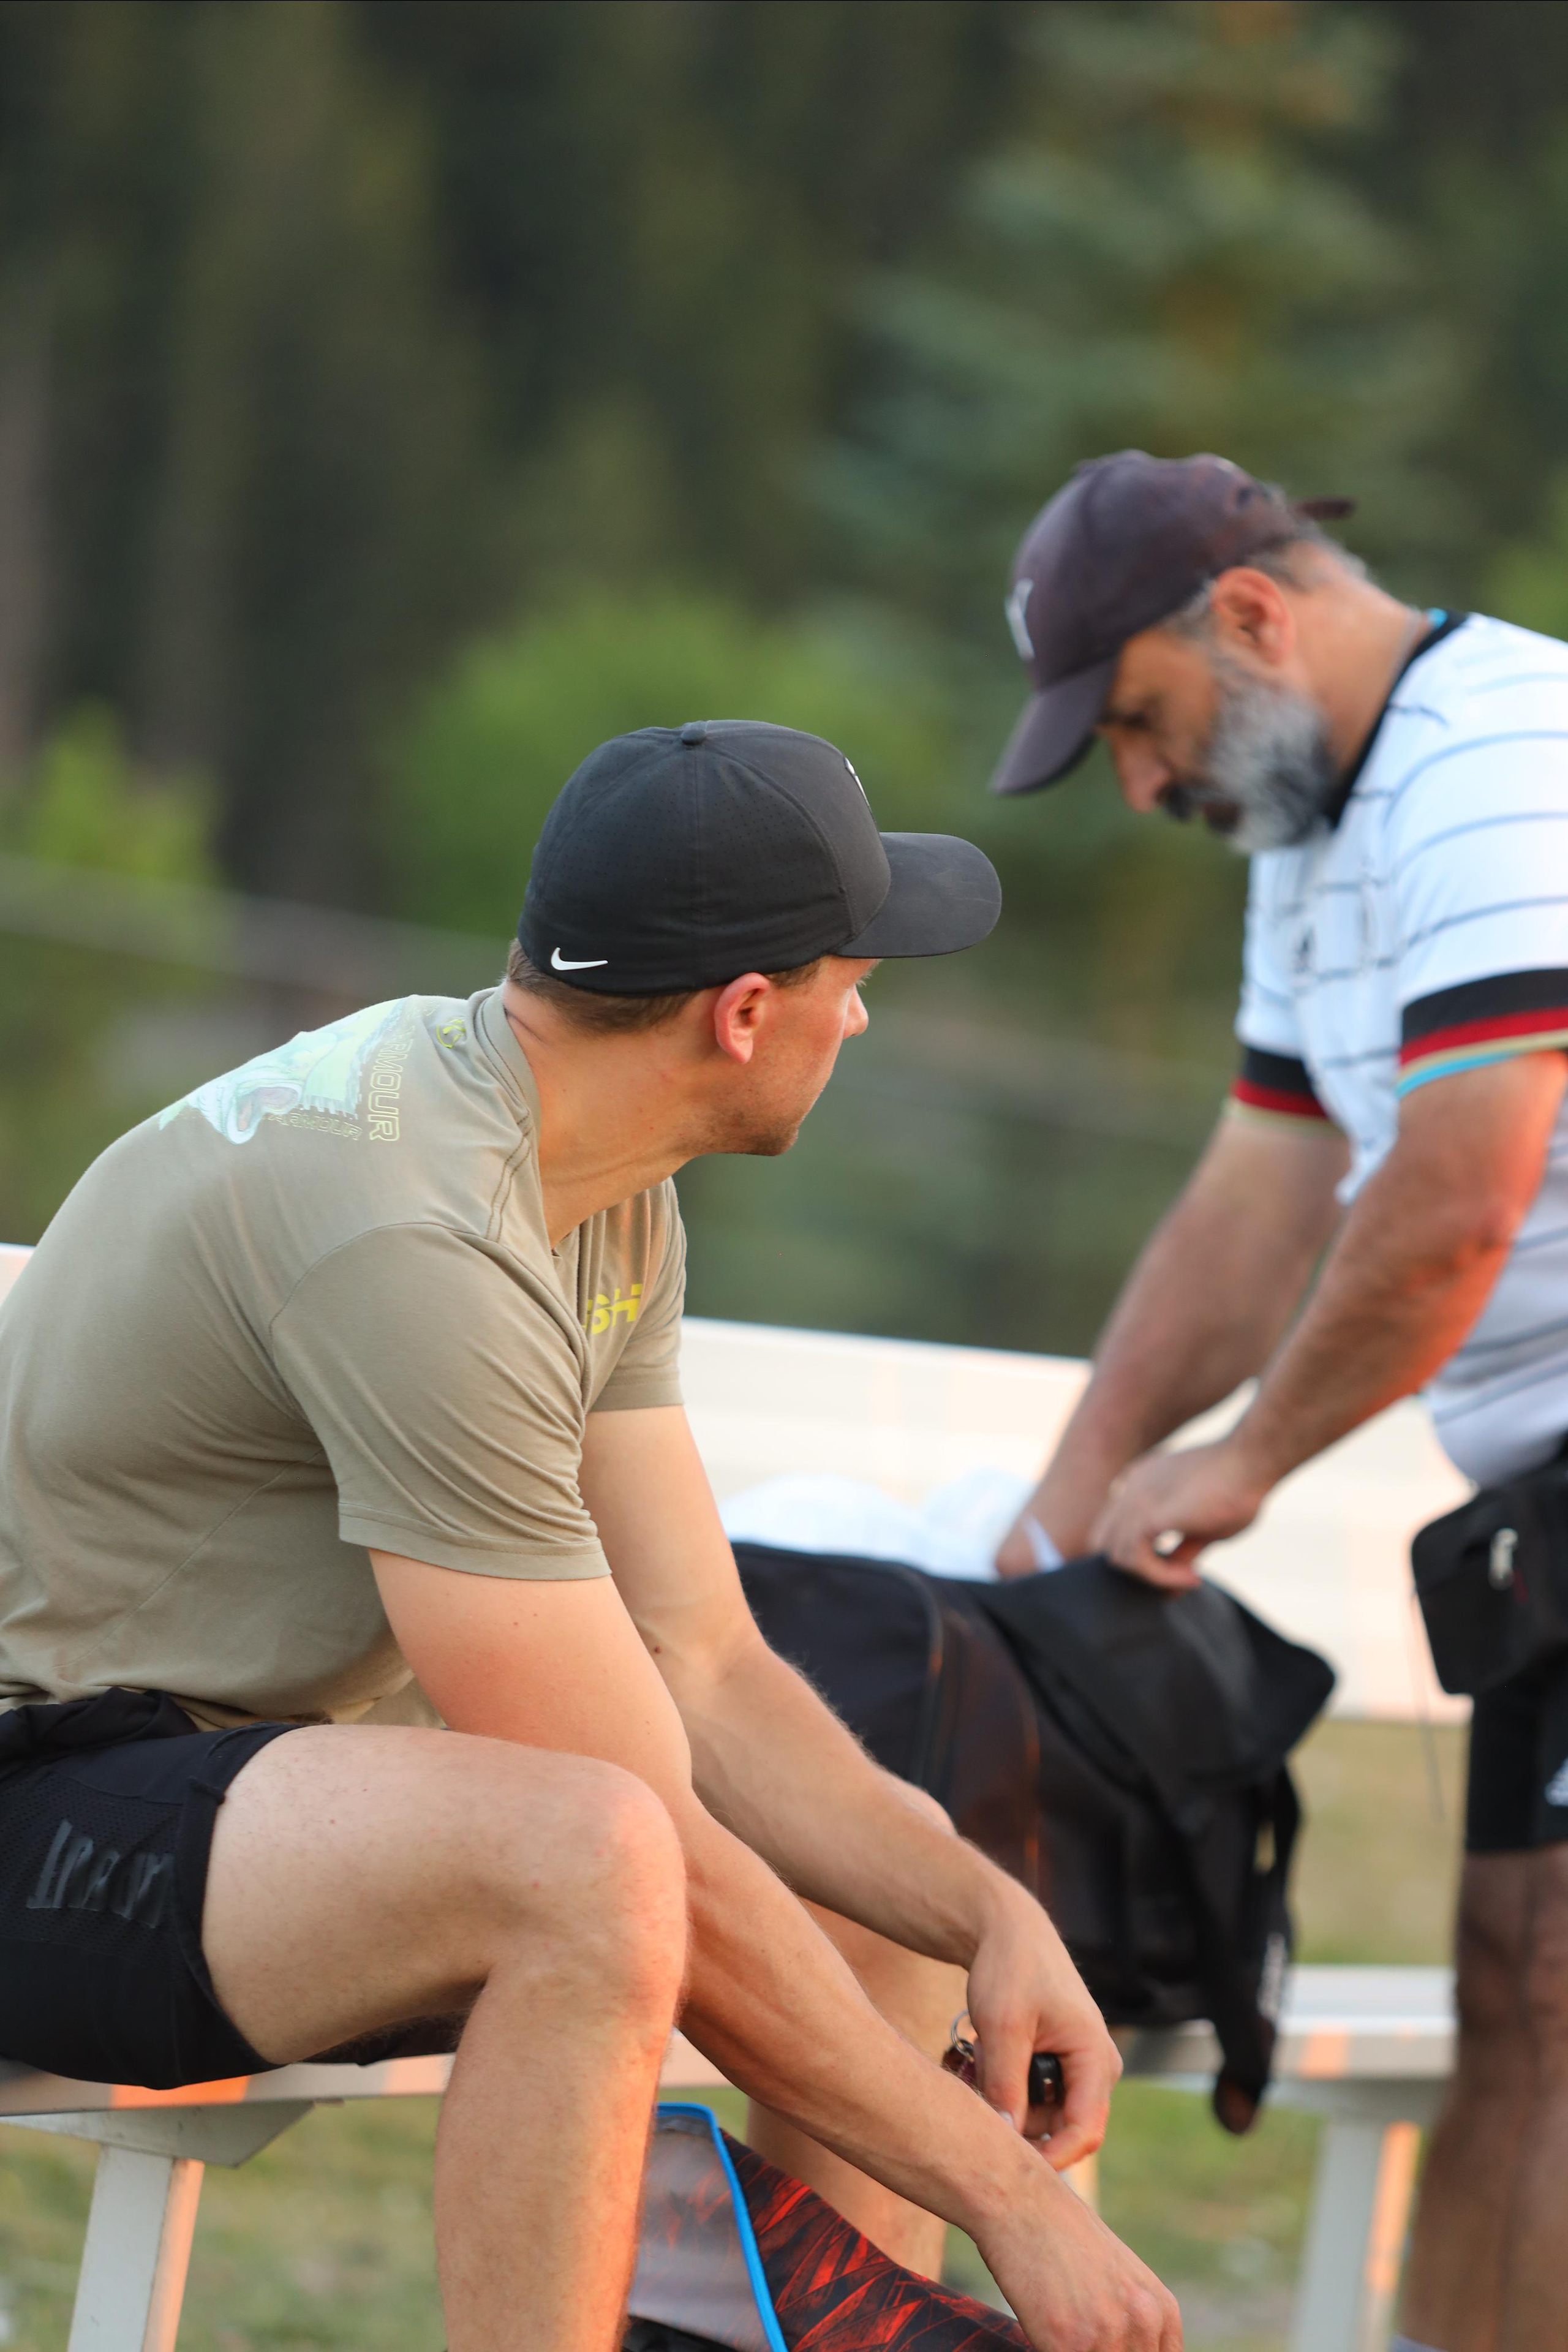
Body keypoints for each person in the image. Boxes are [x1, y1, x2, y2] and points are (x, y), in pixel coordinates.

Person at [0, 718, 1178, 2352]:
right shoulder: (415, 1229)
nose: (865, 1007)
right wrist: (1011, 2197)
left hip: (243, 1797)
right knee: (596, 1857)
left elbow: (705, 1663)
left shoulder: (594, 1174)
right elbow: (648, 1827)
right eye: (855, 971)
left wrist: (989, 1916)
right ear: (745, 1012)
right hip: (43, 1809)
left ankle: (784, 2336)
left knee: (864, 1896)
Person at [990, 450, 1568, 2352]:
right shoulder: (1313, 827)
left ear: (1250, 617)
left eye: (1143, 727)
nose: (1147, 788)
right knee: (1519, 1992)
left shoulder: (1502, 755)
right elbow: (1260, 1194)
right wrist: (1074, 1489)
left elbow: (1461, 1193)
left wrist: (1243, 1461)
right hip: (1543, 1490)